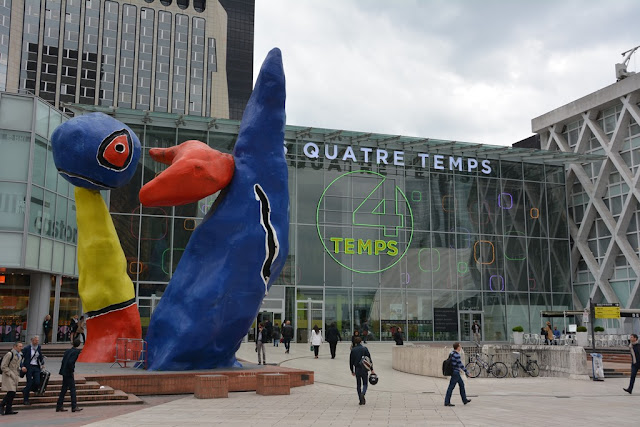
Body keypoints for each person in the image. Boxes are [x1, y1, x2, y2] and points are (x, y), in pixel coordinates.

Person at [56, 339, 82, 412]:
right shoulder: (76, 352)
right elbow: (71, 362)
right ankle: (74, 406)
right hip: (69, 372)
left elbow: (63, 361)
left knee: (64, 389)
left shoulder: (67, 351)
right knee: (72, 389)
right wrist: (72, 370)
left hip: (64, 371)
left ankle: (59, 405)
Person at [444, 342, 471, 407]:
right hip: (455, 373)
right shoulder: (457, 355)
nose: (460, 347)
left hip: (454, 371)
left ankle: (464, 400)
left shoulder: (452, 353)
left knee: (461, 385)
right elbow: (460, 364)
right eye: (460, 346)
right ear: (458, 347)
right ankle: (447, 402)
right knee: (451, 387)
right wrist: (467, 372)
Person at [349, 336, 374, 405]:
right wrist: (372, 369)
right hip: (364, 368)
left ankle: (360, 399)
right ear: (361, 341)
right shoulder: (364, 349)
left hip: (357, 368)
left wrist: (352, 370)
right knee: (365, 383)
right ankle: (363, 393)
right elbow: (369, 360)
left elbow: (351, 361)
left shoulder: (353, 350)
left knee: (358, 384)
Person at [1, 341, 23, 416]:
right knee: (11, 391)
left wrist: (21, 368)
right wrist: (10, 373)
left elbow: (17, 366)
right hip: (8, 375)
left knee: (12, 393)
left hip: (15, 375)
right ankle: (2, 405)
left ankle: (8, 409)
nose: (21, 348)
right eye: (19, 346)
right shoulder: (10, 354)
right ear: (15, 347)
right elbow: (3, 366)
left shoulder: (19, 355)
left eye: (21, 346)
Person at [21, 335, 44, 405]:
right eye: (35, 340)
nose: (37, 342)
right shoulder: (27, 348)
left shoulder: (38, 347)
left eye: (37, 340)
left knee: (37, 381)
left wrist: (42, 363)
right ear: (32, 340)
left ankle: (25, 390)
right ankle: (26, 399)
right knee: (29, 382)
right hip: (29, 367)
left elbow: (40, 356)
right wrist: (22, 366)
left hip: (36, 367)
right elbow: (20, 358)